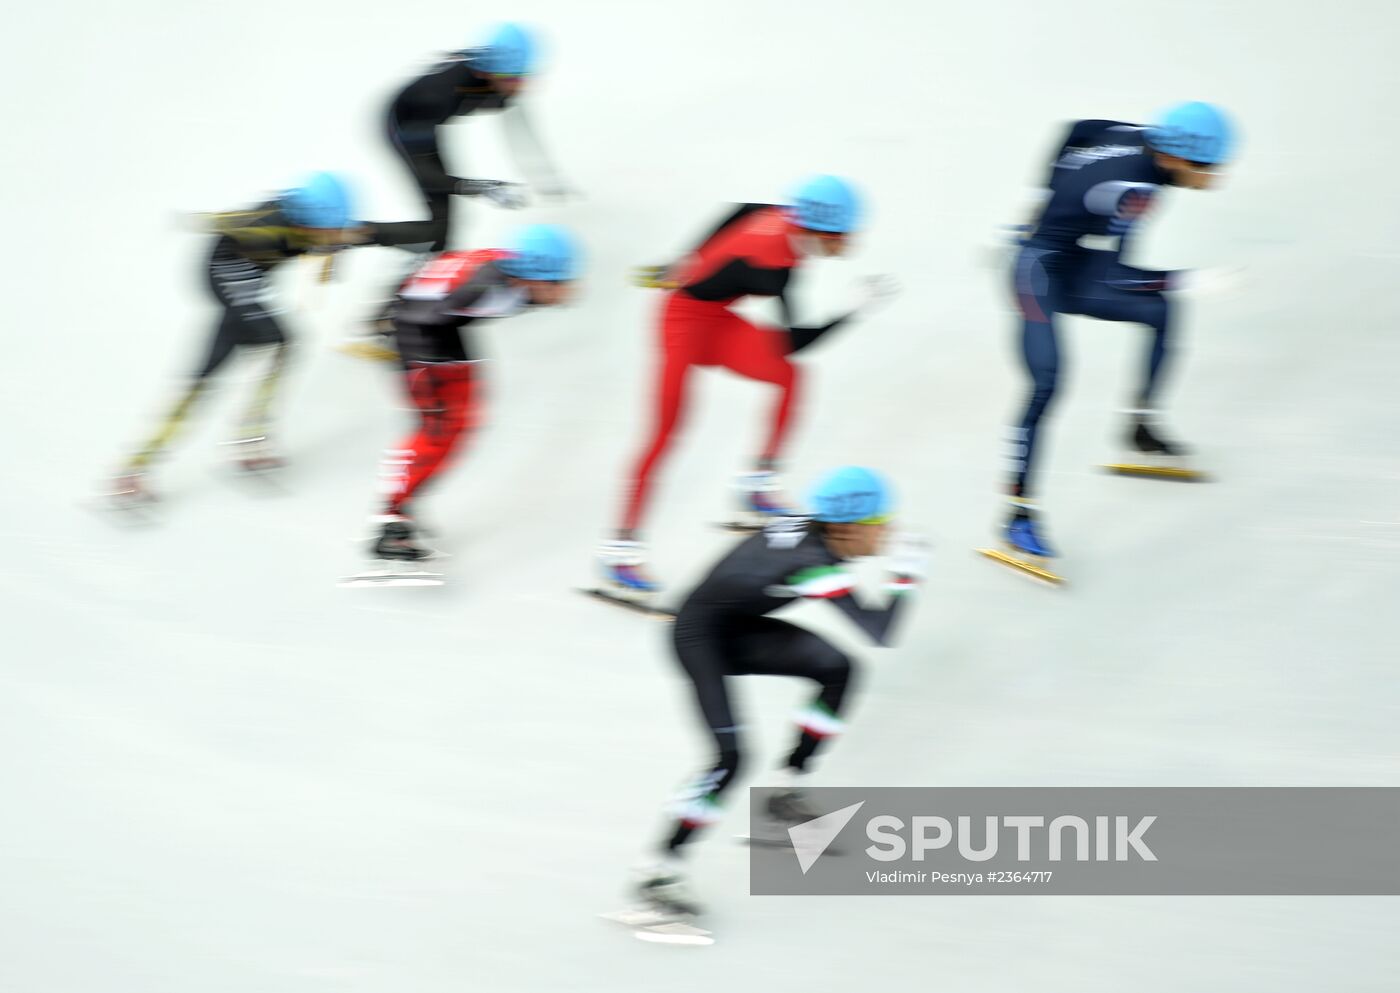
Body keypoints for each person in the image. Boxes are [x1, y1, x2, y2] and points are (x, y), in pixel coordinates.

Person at [627, 466, 928, 923]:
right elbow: (880, 629)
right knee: (731, 758)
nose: (888, 532)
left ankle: (785, 794)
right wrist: (906, 576)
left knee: (838, 668)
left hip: (735, 626)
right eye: (880, 524)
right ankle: (658, 869)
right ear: (848, 529)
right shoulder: (811, 563)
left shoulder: (818, 533)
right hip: (699, 638)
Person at [597, 176, 899, 599]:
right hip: (680, 325)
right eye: (846, 235)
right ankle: (619, 549)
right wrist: (849, 313)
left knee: (790, 378)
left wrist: (688, 256)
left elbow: (740, 208)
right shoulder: (775, 267)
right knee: (664, 436)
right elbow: (795, 342)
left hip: (716, 318)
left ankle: (756, 484)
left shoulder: (779, 216)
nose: (850, 242)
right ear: (823, 230)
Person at [999, 101, 1237, 566]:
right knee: (1047, 382)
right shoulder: (1133, 192)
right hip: (1038, 273)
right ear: (1174, 157)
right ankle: (1018, 514)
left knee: (1161, 313)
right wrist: (1184, 279)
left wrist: (1042, 194)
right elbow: (1114, 277)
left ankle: (1140, 428)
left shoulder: (1148, 135)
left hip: (1071, 255)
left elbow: (1077, 127)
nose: (1217, 176)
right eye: (1208, 167)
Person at [107, 172, 366, 507]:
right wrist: (191, 219)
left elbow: (337, 241)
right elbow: (227, 222)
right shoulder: (268, 224)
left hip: (245, 282)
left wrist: (334, 258)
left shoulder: (313, 224)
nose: (332, 237)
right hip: (224, 276)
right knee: (228, 363)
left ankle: (244, 438)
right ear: (308, 218)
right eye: (329, 230)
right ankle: (135, 469)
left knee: (278, 346)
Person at [346, 22, 572, 361]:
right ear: (491, 71)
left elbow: (519, 127)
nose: (521, 86)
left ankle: (384, 315)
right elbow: (433, 177)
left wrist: (546, 178)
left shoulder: (492, 78)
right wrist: (479, 186)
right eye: (515, 79)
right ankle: (358, 244)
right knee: (436, 233)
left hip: (423, 126)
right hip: (404, 128)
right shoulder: (440, 94)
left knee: (441, 235)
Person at [360, 223, 581, 567]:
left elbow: (429, 270)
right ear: (534, 277)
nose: (566, 291)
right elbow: (412, 313)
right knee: (437, 431)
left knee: (458, 427)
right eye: (559, 283)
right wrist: (417, 375)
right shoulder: (481, 288)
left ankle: (401, 504)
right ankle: (390, 519)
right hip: (417, 335)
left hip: (439, 330)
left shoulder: (509, 272)